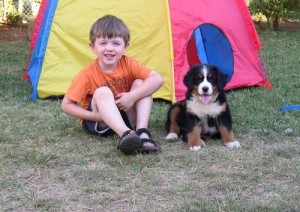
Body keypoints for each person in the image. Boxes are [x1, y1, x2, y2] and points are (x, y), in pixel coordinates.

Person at [61, 15, 164, 155]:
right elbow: (66, 105)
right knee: (103, 91)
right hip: (98, 122)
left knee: (141, 83)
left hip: (123, 116)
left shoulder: (128, 63)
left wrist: (132, 97)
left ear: (125, 46)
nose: (109, 48)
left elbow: (157, 79)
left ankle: (141, 132)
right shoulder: (86, 74)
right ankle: (126, 135)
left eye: (116, 43)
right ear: (93, 47)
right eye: (103, 43)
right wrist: (96, 117)